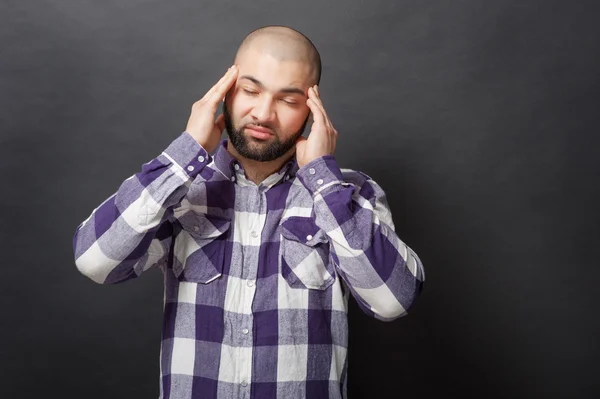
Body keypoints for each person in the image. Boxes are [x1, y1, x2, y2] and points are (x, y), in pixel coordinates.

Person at [73, 25, 425, 399]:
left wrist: (324, 181)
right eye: (251, 90)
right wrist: (185, 152)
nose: (263, 113)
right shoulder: (179, 189)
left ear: (313, 110)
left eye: (288, 100)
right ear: (226, 91)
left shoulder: (350, 196)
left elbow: (393, 301)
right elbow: (95, 261)